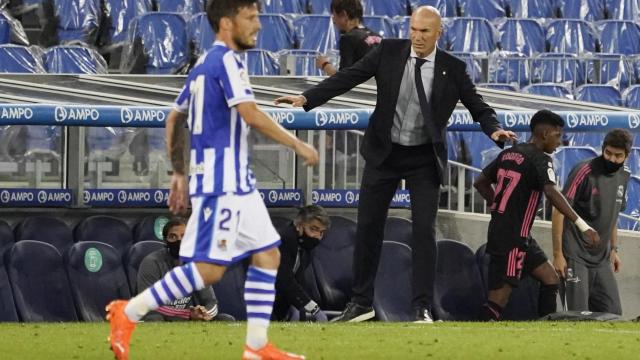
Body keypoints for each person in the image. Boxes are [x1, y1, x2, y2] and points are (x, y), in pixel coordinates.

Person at [275, 6, 516, 323]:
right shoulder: (387, 52)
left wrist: (493, 129)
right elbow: (349, 77)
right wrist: (306, 99)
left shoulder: (452, 69)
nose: (417, 36)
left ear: (438, 33)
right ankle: (361, 303)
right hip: (384, 153)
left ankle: (422, 307)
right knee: (368, 229)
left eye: (424, 31)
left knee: (424, 233)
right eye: (413, 29)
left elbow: (477, 106)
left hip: (422, 158)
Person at [105, 1, 319, 359]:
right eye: (250, 18)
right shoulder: (227, 61)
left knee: (268, 255)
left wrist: (178, 171)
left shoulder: (203, 65)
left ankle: (256, 346)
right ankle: (127, 313)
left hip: (238, 182)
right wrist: (298, 143)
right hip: (223, 182)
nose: (258, 25)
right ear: (226, 23)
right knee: (209, 270)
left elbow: (174, 118)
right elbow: (249, 114)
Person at [473, 110, 600, 321]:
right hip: (513, 236)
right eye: (557, 136)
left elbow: (480, 182)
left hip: (514, 233)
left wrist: (495, 203)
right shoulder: (541, 159)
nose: (560, 142)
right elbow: (551, 192)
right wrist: (582, 225)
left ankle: (545, 328)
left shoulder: (508, 154)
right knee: (499, 297)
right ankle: (479, 335)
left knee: (550, 278)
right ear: (544, 134)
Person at [551, 129, 633, 315]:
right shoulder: (583, 171)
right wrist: (558, 254)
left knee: (613, 315)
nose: (612, 159)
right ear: (602, 149)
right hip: (575, 256)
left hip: (601, 259)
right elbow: (558, 210)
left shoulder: (624, 175)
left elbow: (613, 214)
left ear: (627, 156)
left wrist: (614, 249)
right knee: (576, 316)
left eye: (618, 156)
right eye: (608, 153)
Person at [137, 218, 235, 322]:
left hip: (190, 318)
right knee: (154, 319)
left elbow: (211, 302)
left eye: (184, 236)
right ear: (165, 241)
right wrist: (187, 314)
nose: (179, 240)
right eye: (173, 236)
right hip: (162, 318)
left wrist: (204, 314)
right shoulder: (152, 263)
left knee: (226, 319)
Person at [273, 206, 331, 322]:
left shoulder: (305, 246)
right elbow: (284, 280)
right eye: (313, 229)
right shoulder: (286, 238)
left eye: (321, 232)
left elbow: (299, 279)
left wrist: (298, 305)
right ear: (300, 225)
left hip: (284, 301)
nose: (318, 236)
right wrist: (314, 309)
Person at [316, 0, 382, 76]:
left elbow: (343, 79)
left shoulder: (348, 39)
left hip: (363, 87)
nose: (333, 20)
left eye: (334, 15)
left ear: (344, 14)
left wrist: (325, 65)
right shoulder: (378, 37)